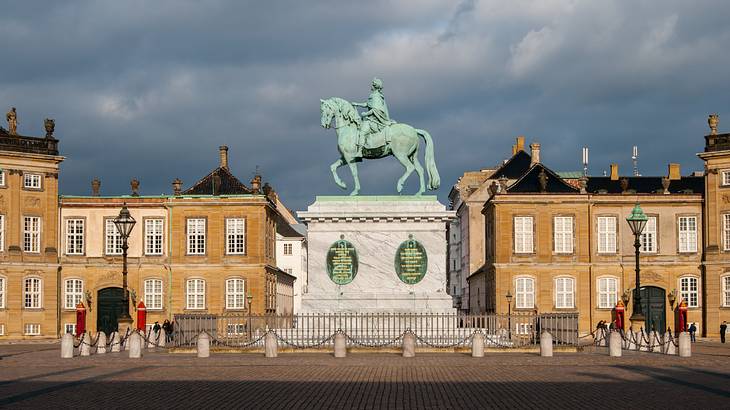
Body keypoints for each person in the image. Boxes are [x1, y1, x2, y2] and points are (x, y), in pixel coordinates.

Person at [351, 78, 394, 157]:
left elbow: (375, 109)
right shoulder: (374, 95)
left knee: (362, 132)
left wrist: (366, 114)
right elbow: (367, 104)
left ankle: (360, 151)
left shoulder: (376, 96)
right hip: (371, 119)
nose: (371, 86)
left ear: (375, 86)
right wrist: (357, 104)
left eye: (372, 84)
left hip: (374, 120)